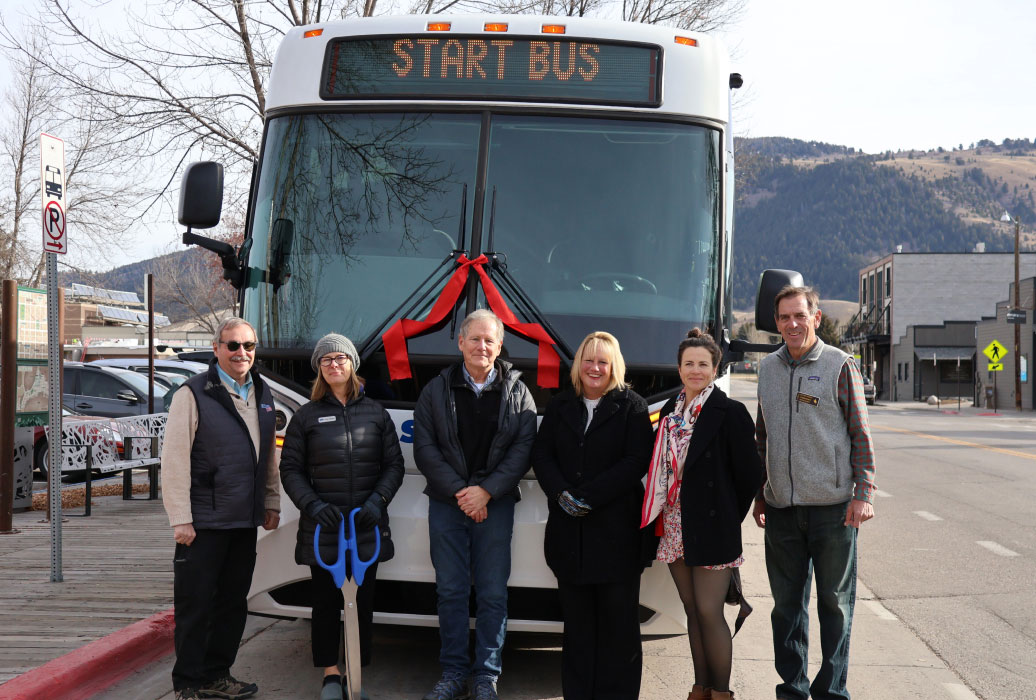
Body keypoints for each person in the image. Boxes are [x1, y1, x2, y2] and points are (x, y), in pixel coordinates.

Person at [753, 286, 876, 700]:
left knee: (835, 607)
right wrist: (760, 493)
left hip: (833, 511)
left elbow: (861, 434)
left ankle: (832, 693)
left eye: (799, 316)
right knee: (786, 610)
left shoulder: (840, 365)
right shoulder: (767, 369)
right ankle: (792, 690)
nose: (792, 324)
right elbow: (762, 436)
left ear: (816, 317)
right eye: (784, 317)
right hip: (782, 510)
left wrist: (864, 493)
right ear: (776, 322)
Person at [414, 309, 537, 700]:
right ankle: (453, 673)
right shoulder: (435, 389)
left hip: (495, 504)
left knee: (492, 593)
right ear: (460, 342)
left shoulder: (519, 392)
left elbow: (523, 450)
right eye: (474, 338)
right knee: (450, 590)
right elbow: (425, 448)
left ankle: (486, 676)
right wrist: (461, 493)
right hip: (448, 504)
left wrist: (486, 492)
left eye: (490, 340)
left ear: (500, 345)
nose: (482, 346)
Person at [279, 334, 405, 700]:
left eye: (340, 358)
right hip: (325, 528)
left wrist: (378, 501)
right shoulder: (306, 416)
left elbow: (393, 465)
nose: (334, 365)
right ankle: (330, 675)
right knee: (325, 603)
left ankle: (354, 675)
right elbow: (291, 470)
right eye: (326, 360)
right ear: (319, 369)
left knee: (362, 603)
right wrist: (314, 507)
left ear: (352, 364)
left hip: (366, 524)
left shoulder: (377, 413)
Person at [161, 318, 281, 700]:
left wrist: (272, 501)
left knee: (232, 605)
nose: (241, 353)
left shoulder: (262, 392)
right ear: (216, 349)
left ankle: (217, 675)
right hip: (203, 523)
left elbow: (269, 456)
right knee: (196, 607)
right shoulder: (192, 394)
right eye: (232, 345)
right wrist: (181, 518)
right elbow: (175, 460)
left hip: (244, 521)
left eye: (248, 345)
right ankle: (188, 684)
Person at [640, 329, 763, 700]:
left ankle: (722, 693)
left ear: (715, 369)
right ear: (679, 369)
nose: (696, 370)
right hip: (675, 524)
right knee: (692, 610)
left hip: (713, 528)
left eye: (703, 364)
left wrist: (725, 517)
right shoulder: (668, 413)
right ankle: (701, 687)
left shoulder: (729, 413)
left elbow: (751, 475)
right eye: (689, 364)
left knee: (710, 612)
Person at [531, 331, 654, 700]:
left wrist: (588, 496)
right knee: (578, 630)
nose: (595, 368)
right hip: (570, 540)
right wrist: (560, 493)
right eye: (588, 360)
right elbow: (542, 455)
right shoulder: (560, 406)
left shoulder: (632, 406)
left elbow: (636, 461)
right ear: (578, 365)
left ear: (614, 366)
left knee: (619, 631)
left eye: (603, 361)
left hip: (617, 540)